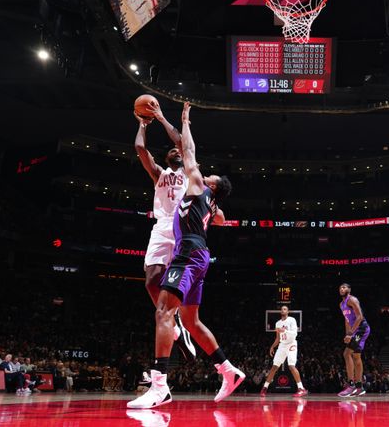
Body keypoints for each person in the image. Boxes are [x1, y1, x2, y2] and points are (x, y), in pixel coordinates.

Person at [128, 102, 242, 409]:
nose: (206, 176)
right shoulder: (202, 197)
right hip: (197, 253)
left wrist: (183, 121)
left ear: (213, 188)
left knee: (164, 312)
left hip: (188, 251)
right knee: (191, 320)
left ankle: (159, 385)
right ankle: (228, 370)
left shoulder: (197, 189)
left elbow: (188, 150)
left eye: (211, 177)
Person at [134, 103, 196, 365]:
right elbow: (140, 148)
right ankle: (177, 324)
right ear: (167, 158)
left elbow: (183, 141)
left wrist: (159, 118)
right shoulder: (159, 173)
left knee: (173, 284)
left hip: (182, 228)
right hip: (161, 227)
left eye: (177, 150)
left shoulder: (187, 171)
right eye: (171, 151)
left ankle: (176, 319)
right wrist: (142, 124)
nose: (175, 150)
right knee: (151, 281)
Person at [260, 305, 308, 397]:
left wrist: (284, 331)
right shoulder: (277, 323)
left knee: (291, 365)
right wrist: (272, 347)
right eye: (281, 309)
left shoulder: (292, 320)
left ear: (288, 311)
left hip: (291, 343)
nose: (283, 310)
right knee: (274, 367)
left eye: (285, 309)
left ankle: (301, 389)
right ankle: (264, 388)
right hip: (282, 345)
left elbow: (295, 333)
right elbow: (278, 338)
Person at [337, 283, 370, 397]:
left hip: (362, 329)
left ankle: (351, 386)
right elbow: (347, 320)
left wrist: (351, 334)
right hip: (355, 331)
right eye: (340, 287)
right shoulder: (341, 304)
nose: (342, 289)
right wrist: (347, 334)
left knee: (346, 354)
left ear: (349, 290)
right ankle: (360, 387)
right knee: (356, 356)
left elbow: (360, 316)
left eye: (344, 287)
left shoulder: (352, 300)